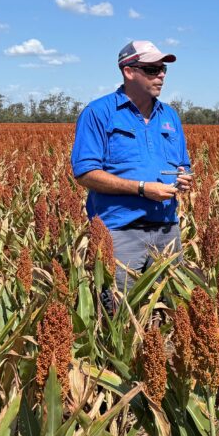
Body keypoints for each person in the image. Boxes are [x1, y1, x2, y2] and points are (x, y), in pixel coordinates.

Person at [71, 40, 193, 313]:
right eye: (151, 69)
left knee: (172, 311)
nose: (160, 75)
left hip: (166, 230)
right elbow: (86, 173)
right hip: (120, 233)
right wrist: (141, 188)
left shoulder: (170, 116)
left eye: (163, 69)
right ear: (128, 71)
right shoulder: (99, 113)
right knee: (119, 314)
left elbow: (183, 164)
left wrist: (184, 178)